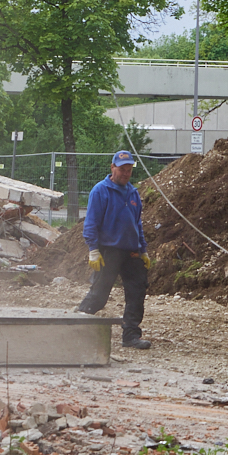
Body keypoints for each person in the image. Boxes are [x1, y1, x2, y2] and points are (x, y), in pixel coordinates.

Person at [75, 150, 153, 349]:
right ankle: (74, 325)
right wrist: (93, 249)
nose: (125, 174)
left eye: (128, 170)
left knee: (136, 291)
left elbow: (137, 224)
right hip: (108, 250)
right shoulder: (100, 191)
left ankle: (131, 335)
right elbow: (91, 223)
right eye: (121, 169)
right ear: (112, 167)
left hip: (132, 251)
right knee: (99, 293)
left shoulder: (133, 193)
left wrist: (143, 249)